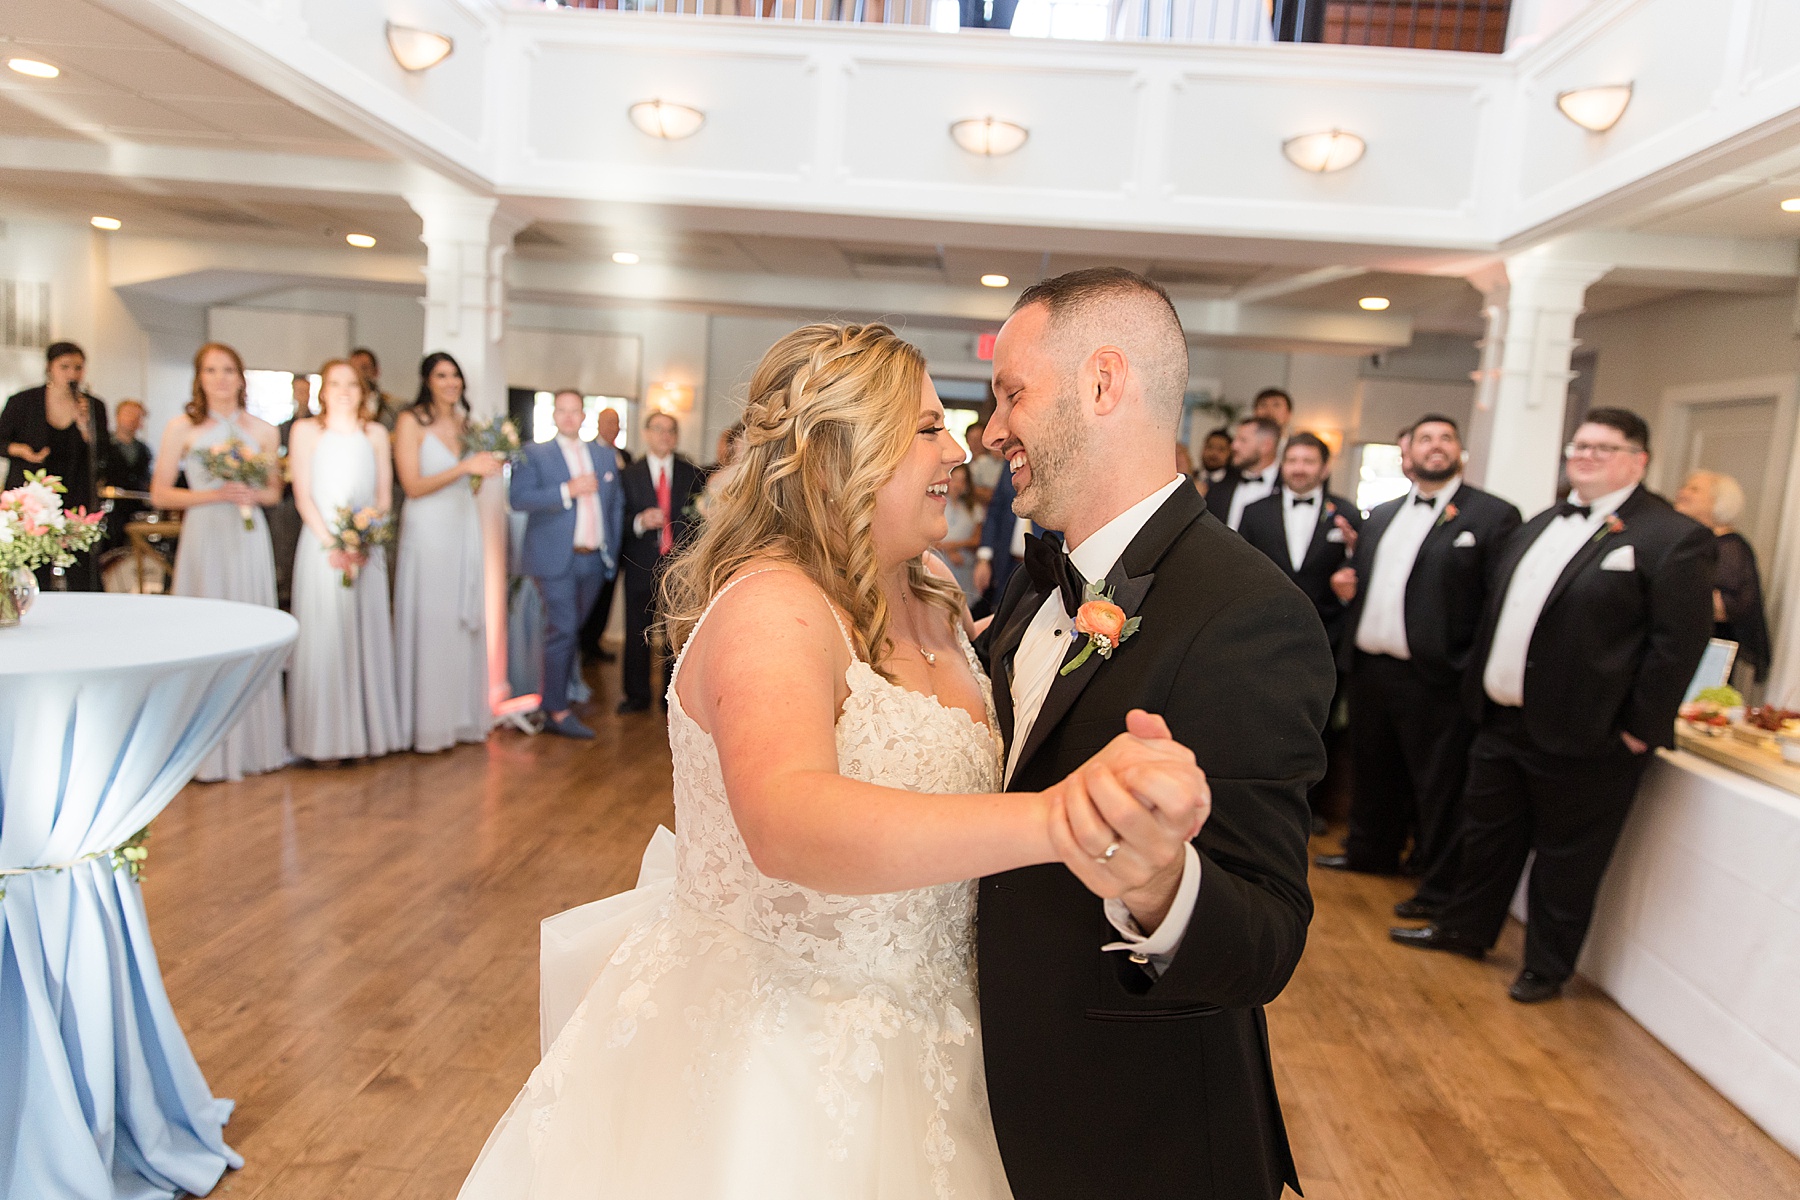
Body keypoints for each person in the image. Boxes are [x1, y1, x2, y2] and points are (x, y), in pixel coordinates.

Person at [456, 320, 1210, 1198]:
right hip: (787, 1053)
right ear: (835, 453)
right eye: (927, 429)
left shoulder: (932, 593)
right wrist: (1055, 819)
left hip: (947, 1041)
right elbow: (788, 821)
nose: (961, 449)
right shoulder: (772, 608)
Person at [978, 269, 1334, 1200]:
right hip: (989, 1092)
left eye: (1012, 393)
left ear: (1102, 384)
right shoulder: (1036, 579)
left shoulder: (1251, 615)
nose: (991, 431)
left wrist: (1162, 886)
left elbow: (1267, 939)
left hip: (1134, 1134)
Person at [1392, 409, 1716, 1005]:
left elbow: (1677, 646)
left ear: (1638, 460)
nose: (1586, 455)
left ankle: (1546, 965)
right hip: (1502, 720)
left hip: (1590, 734)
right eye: (1580, 445)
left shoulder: (1671, 536)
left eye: (1603, 447)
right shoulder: (1540, 522)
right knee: (1487, 837)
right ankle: (1464, 930)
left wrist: (1639, 731)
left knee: (1567, 860)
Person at [1315, 415, 1522, 921]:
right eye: (1425, 439)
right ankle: (1371, 851)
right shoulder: (1382, 514)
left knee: (1438, 786)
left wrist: (1467, 665)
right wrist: (1350, 587)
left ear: (1459, 452)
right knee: (1375, 770)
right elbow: (1378, 583)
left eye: (1445, 438)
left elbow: (1499, 600)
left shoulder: (1492, 516)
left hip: (1437, 676)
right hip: (1373, 669)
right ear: (1407, 452)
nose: (1435, 446)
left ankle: (1435, 884)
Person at [150, 342, 287, 782]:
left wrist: (252, 493)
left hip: (247, 538)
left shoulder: (265, 431)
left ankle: (254, 745)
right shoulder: (181, 428)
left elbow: (273, 492)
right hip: (205, 534)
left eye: (229, 369)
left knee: (249, 630)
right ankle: (201, 753)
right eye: (211, 370)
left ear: (241, 377)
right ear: (200, 378)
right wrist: (214, 494)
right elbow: (161, 493)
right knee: (203, 632)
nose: (221, 378)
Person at [287, 359, 402, 762]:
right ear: (322, 389)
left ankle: (366, 736)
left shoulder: (375, 433)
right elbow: (302, 494)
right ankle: (324, 741)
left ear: (364, 390)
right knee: (326, 637)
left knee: (363, 634)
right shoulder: (305, 431)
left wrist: (364, 536)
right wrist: (333, 543)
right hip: (323, 549)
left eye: (351, 383)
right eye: (335, 382)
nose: (343, 390)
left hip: (366, 549)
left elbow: (384, 496)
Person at [392, 351, 503, 752]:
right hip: (427, 530)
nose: (450, 382)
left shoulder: (466, 424)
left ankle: (458, 718)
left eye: (455, 375)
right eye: (441, 375)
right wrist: (465, 468)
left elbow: (468, 484)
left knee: (460, 622)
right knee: (431, 622)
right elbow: (413, 485)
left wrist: (481, 473)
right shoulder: (410, 422)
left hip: (461, 524)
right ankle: (425, 725)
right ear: (427, 380)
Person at [510, 389, 626, 739]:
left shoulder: (603, 456)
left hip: (593, 560)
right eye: (562, 410)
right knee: (563, 629)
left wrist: (612, 552)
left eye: (575, 411)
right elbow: (517, 498)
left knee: (571, 632)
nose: (569, 417)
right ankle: (556, 710)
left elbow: (615, 506)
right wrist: (566, 490)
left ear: (584, 416)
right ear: (554, 416)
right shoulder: (534, 453)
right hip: (554, 559)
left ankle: (559, 695)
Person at [1, 341, 109, 590]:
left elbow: (103, 453)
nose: (72, 374)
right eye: (65, 367)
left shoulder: (93, 406)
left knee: (80, 562)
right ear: (50, 367)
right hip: (35, 493)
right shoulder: (23, 401)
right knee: (34, 561)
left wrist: (85, 428)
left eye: (78, 367)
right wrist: (21, 450)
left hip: (75, 490)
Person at [1237, 432, 1361, 648]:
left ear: (1325, 468)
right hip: (1263, 629)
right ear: (1282, 465)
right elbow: (1241, 568)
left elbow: (1356, 566)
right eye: (1292, 461)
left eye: (1308, 461)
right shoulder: (1255, 512)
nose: (1299, 468)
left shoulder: (1346, 513)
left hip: (1326, 633)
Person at [616, 410, 703, 713]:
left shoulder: (691, 473)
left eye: (670, 431)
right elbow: (617, 520)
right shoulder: (629, 475)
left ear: (676, 437)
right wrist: (639, 521)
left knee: (675, 636)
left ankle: (672, 699)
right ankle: (636, 697)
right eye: (658, 429)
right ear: (646, 433)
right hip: (640, 563)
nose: (664, 436)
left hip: (678, 568)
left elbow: (701, 519)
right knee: (636, 633)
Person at [1675, 469, 1770, 685]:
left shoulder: (1730, 548)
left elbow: (1727, 607)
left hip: (1706, 655)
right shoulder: (1696, 543)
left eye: (1694, 489)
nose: (1682, 492)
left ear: (1718, 502)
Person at [581, 406, 632, 666]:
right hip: (595, 537)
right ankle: (584, 644)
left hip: (619, 536)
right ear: (599, 425)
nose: (614, 427)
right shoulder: (587, 453)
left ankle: (596, 641)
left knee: (607, 595)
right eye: (609, 422)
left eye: (617, 423)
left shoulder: (626, 455)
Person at [1203, 414, 1280, 531]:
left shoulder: (1288, 488)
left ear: (1266, 446)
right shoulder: (1219, 488)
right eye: (1235, 439)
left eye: (1243, 440)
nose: (1234, 446)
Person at [934, 461, 985, 597]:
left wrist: (951, 546)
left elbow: (977, 540)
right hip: (937, 566)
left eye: (962, 481)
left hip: (965, 567)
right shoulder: (934, 504)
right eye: (954, 479)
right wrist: (948, 550)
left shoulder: (974, 509)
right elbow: (927, 538)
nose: (957, 485)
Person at [349, 346, 407, 430]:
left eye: (364, 368)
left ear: (376, 371)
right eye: (354, 369)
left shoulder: (395, 407)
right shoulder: (341, 405)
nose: (360, 374)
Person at [106, 399, 153, 493]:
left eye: (138, 416)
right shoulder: (103, 445)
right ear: (117, 416)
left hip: (137, 501)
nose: (132, 419)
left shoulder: (144, 450)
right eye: (128, 414)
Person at [965, 417, 1003, 505]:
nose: (975, 444)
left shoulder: (999, 464)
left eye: (978, 439)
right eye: (972, 439)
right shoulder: (962, 468)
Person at [1193, 426, 1231, 494]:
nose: (1214, 453)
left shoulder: (1233, 484)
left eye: (1221, 449)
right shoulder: (1191, 478)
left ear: (1229, 453)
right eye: (1210, 447)